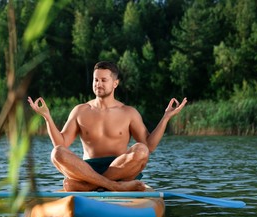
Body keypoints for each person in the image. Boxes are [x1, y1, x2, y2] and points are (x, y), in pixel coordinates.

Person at [28, 61, 187, 191]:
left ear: (115, 83)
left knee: (141, 150)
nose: (99, 84)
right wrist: (47, 117)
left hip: (121, 168)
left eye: (104, 80)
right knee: (56, 153)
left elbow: (149, 146)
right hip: (87, 169)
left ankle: (90, 186)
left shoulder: (128, 112)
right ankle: (113, 186)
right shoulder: (80, 111)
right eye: (96, 80)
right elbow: (61, 144)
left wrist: (166, 117)